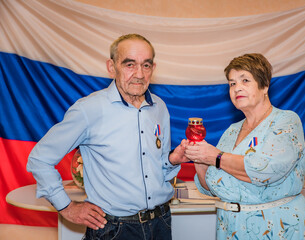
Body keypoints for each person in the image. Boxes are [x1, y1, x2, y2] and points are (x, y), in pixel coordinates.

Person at [27, 33, 190, 240]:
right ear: (111, 67)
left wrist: (171, 161)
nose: (139, 74)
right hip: (115, 230)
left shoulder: (159, 107)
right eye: (130, 64)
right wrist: (66, 207)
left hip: (161, 224)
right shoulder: (89, 109)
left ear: (153, 68)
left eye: (146, 65)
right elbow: (39, 159)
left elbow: (159, 169)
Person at [184, 53, 305, 239]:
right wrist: (199, 159)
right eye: (232, 84)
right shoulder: (232, 131)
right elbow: (212, 186)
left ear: (264, 86)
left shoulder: (286, 121)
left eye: (245, 80)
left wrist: (215, 156)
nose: (237, 88)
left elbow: (264, 170)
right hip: (231, 227)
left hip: (277, 226)